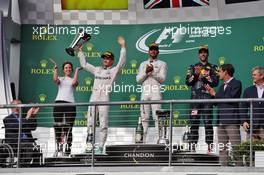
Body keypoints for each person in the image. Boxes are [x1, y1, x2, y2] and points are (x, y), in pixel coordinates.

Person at [77, 36, 126, 153]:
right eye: (104, 57)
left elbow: (122, 63)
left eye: (108, 58)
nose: (105, 59)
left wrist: (123, 47)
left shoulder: (114, 70)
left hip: (104, 99)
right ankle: (89, 146)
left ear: (112, 61)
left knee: (103, 124)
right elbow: (84, 64)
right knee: (90, 123)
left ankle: (100, 147)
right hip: (93, 99)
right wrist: (80, 52)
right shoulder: (97, 69)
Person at [205, 64, 242, 166]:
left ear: (226, 72)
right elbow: (217, 102)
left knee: (236, 147)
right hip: (220, 122)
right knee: (222, 148)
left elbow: (231, 98)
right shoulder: (221, 86)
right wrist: (211, 94)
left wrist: (215, 94)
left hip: (232, 121)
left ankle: (240, 170)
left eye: (220, 71)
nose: (218, 74)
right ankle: (224, 169)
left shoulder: (237, 83)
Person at [185, 45, 219, 152]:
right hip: (195, 99)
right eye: (201, 52)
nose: (203, 54)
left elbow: (216, 82)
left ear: (207, 54)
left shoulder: (213, 67)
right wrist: (196, 75)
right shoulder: (192, 67)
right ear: (198, 54)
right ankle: (192, 146)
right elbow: (188, 82)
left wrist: (204, 76)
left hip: (207, 99)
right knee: (194, 122)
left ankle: (210, 148)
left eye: (205, 52)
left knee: (208, 122)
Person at [136, 43, 167, 143]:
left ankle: (160, 140)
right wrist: (146, 72)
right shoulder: (142, 64)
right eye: (151, 49)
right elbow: (138, 80)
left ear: (158, 51)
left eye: (155, 49)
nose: (153, 51)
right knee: (144, 118)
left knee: (157, 117)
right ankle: (142, 141)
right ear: (148, 51)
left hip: (155, 92)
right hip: (145, 93)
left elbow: (162, 79)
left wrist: (152, 72)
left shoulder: (162, 63)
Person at [51, 60, 82, 156]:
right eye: (66, 68)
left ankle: (67, 151)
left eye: (69, 68)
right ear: (63, 70)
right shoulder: (60, 79)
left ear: (71, 69)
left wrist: (77, 71)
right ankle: (58, 149)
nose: (68, 69)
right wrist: (55, 68)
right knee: (58, 128)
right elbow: (55, 79)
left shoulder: (73, 79)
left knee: (69, 128)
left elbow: (74, 83)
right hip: (59, 104)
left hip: (70, 105)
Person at [3, 100, 40, 166]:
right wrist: (27, 117)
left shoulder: (24, 118)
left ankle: (26, 166)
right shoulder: (7, 119)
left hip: (27, 142)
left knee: (33, 147)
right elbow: (16, 127)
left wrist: (33, 116)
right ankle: (22, 166)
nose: (21, 107)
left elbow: (33, 127)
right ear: (13, 107)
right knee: (28, 146)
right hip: (15, 143)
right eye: (19, 105)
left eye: (21, 105)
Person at [241, 66, 264, 140]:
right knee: (249, 150)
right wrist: (244, 121)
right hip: (252, 127)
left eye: (254, 75)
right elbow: (243, 107)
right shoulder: (248, 90)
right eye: (252, 74)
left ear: (262, 75)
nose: (252, 76)